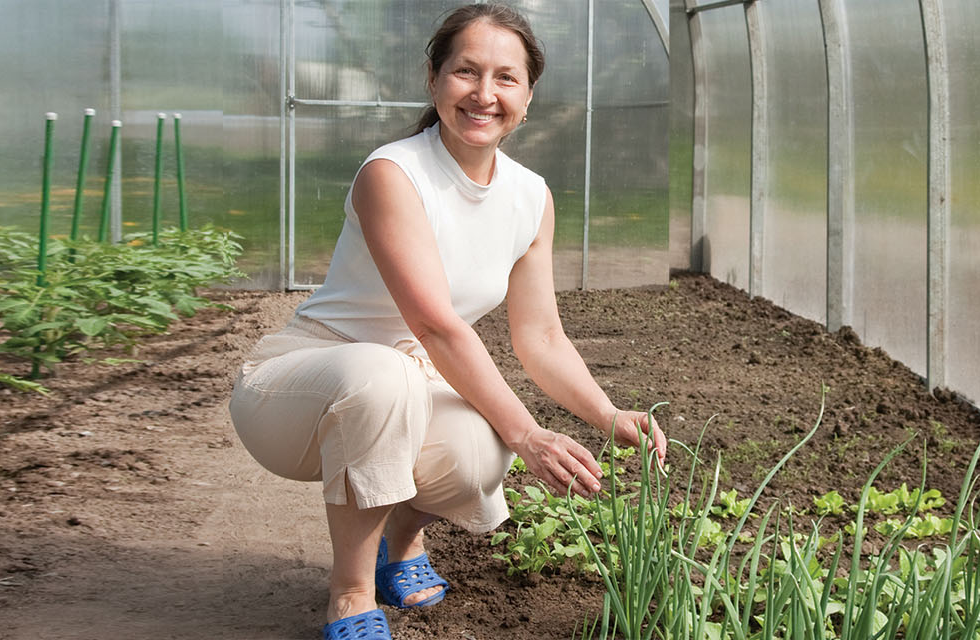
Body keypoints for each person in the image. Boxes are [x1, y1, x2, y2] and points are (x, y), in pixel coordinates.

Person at [226, 4, 667, 638]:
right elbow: (435, 327)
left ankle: (398, 544)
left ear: (529, 94)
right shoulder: (393, 174)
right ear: (433, 80)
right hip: (302, 383)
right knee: (391, 380)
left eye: (506, 78)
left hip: (407, 376)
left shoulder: (530, 196)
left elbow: (540, 335)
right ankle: (350, 594)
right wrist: (530, 433)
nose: (484, 94)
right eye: (466, 71)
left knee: (477, 449)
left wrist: (608, 414)